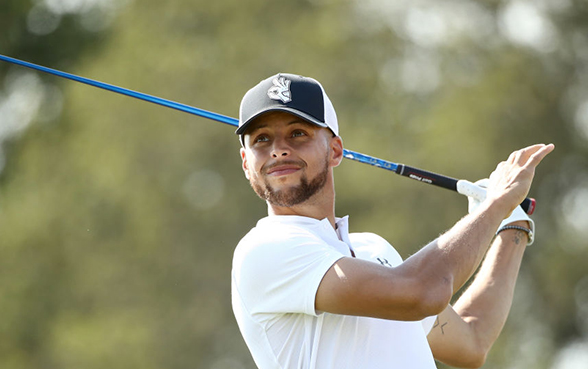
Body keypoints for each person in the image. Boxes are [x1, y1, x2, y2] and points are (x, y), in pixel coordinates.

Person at [230, 73, 554, 369]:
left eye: (297, 133)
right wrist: (495, 205)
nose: (278, 150)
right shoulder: (265, 250)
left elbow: (472, 341)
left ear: (335, 150)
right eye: (261, 139)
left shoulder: (375, 252)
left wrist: (511, 225)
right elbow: (422, 292)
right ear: (246, 162)